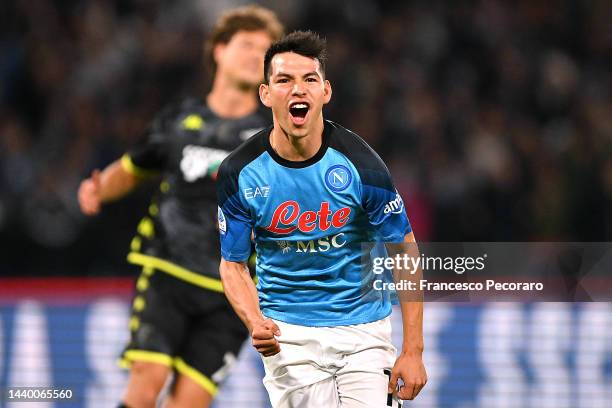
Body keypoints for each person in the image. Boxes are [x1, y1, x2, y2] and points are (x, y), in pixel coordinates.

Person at [77, 6, 283, 408]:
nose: (254, 54)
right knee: (145, 382)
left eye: (263, 50)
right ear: (219, 50)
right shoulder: (179, 119)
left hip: (233, 292)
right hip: (167, 272)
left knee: (189, 402)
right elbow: (136, 166)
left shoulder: (272, 136)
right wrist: (100, 188)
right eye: (246, 44)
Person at [216, 31, 427, 407]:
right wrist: (254, 321)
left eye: (309, 79)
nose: (298, 90)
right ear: (265, 94)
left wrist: (413, 351)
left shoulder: (362, 166)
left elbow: (404, 249)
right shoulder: (240, 172)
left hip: (364, 331)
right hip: (289, 335)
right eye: (284, 80)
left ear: (325, 92)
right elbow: (233, 265)